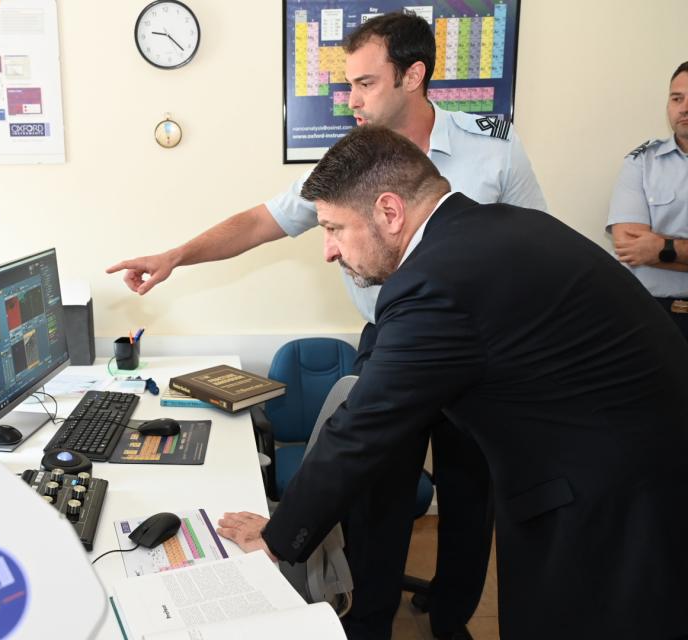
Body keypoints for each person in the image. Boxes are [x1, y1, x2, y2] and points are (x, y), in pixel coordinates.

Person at [108, 13, 545, 639]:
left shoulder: (492, 146)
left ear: (414, 76)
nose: (352, 99)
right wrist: (177, 255)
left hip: (477, 350)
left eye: (365, 83)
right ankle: (367, 623)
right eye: (348, 85)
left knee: (470, 493)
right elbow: (260, 221)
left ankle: (451, 620)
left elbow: (533, 244)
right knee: (375, 491)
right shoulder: (352, 161)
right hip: (391, 339)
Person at [216, 124, 688, 640]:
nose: (328, 250)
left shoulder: (434, 282)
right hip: (631, 464)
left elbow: (363, 427)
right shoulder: (497, 227)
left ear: (390, 212)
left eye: (333, 228)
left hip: (613, 501)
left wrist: (277, 539)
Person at [607, 61, 688, 341]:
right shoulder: (641, 162)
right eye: (677, 98)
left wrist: (659, 248)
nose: (684, 107)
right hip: (651, 314)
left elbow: (647, 251)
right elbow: (629, 246)